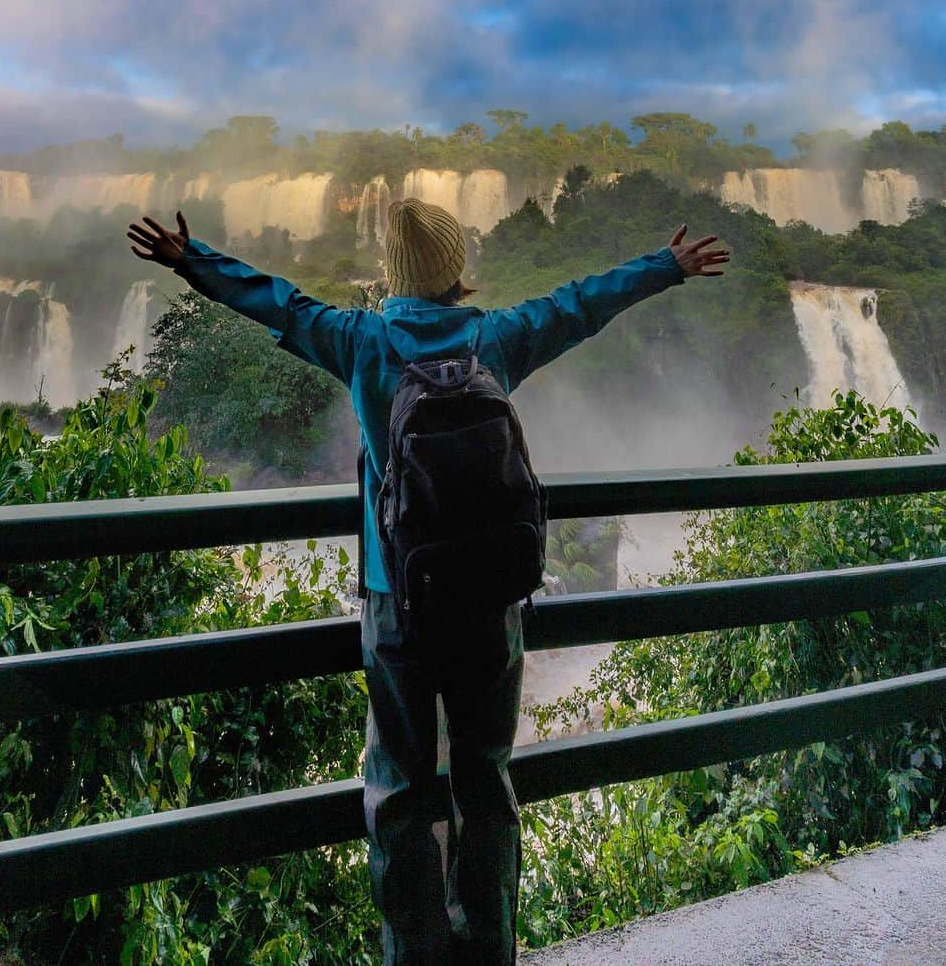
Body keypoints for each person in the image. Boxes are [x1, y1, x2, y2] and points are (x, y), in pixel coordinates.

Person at [128, 195, 728, 965]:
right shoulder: (497, 337)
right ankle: (492, 949)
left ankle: (414, 954)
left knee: (402, 795)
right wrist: (665, 267)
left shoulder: (359, 340)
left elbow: (276, 299)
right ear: (456, 273)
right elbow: (580, 305)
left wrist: (192, 259)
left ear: (393, 274)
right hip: (491, 602)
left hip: (398, 605)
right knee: (485, 783)